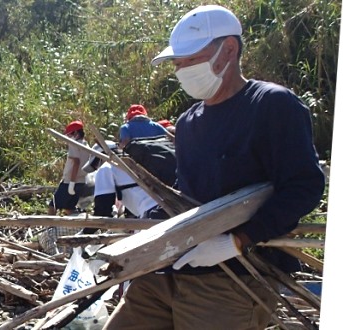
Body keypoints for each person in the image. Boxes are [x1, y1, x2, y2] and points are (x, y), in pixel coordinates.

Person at [103, 5, 326, 329]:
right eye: (178, 63)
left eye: (190, 60)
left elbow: (303, 187)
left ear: (229, 50)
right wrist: (141, 238)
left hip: (234, 277)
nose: (182, 69)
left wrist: (236, 241)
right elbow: (186, 196)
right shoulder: (189, 124)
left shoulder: (271, 106)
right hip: (170, 269)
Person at [48, 120, 91, 216]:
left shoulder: (74, 144)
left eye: (69, 134)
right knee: (69, 208)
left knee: (52, 206)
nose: (68, 137)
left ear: (76, 133)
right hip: (81, 182)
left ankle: (50, 228)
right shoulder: (86, 144)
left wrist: (71, 183)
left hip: (70, 182)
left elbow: (76, 162)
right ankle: (73, 228)